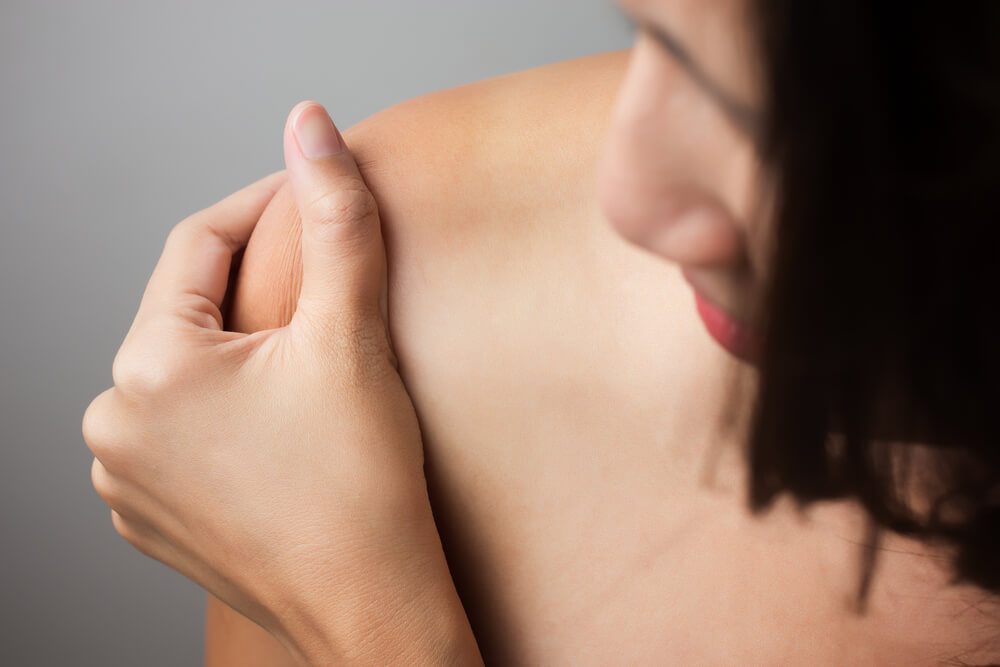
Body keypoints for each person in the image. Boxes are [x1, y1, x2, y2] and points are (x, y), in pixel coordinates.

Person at [85, 0, 999, 664]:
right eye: (651, 37)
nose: (630, 200)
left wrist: (369, 622)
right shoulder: (389, 288)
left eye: (791, 135)